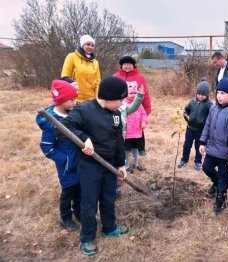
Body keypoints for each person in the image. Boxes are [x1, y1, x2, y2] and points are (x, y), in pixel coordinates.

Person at [60, 76, 129, 256]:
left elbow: (119, 140)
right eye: (120, 100)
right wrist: (84, 138)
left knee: (109, 198)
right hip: (90, 166)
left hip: (109, 165)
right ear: (109, 97)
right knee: (89, 202)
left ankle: (109, 227)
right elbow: (63, 127)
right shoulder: (84, 109)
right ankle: (88, 237)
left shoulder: (115, 114)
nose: (122, 104)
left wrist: (121, 164)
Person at [36, 80, 80, 231]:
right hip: (66, 166)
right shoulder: (51, 123)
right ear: (61, 100)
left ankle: (79, 212)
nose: (75, 102)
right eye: (72, 99)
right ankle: (65, 218)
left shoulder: (73, 115)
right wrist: (65, 160)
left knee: (79, 189)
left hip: (79, 161)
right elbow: (47, 147)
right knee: (68, 191)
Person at [199, 78, 228, 214]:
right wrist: (202, 142)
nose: (219, 96)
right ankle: (217, 183)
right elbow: (207, 126)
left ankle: (221, 198)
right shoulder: (213, 108)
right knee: (206, 168)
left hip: (225, 153)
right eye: (218, 92)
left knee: (224, 175)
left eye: (223, 93)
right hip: (212, 149)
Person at [113, 56, 152, 156]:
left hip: (136, 110)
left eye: (130, 64)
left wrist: (147, 109)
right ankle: (121, 152)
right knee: (121, 130)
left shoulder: (140, 77)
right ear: (121, 66)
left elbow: (145, 93)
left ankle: (139, 149)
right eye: (125, 64)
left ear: (133, 66)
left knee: (137, 130)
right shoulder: (115, 77)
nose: (127, 66)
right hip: (119, 108)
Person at [178, 78, 213, 171]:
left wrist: (205, 123)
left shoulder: (209, 105)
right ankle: (184, 160)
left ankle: (198, 162)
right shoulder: (192, 101)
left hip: (201, 131)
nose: (200, 96)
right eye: (199, 94)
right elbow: (186, 110)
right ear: (196, 93)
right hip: (190, 129)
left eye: (203, 95)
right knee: (187, 145)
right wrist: (186, 117)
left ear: (207, 95)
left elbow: (211, 117)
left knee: (199, 147)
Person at [61, 35, 101, 103]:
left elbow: (98, 82)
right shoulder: (72, 56)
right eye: (88, 44)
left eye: (92, 45)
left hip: (91, 101)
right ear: (82, 45)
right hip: (75, 100)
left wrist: (97, 99)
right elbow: (65, 76)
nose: (90, 47)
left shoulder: (95, 62)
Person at [124, 83, 148, 173]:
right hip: (127, 134)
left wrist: (143, 122)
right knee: (126, 150)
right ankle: (126, 165)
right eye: (131, 93)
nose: (133, 95)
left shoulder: (139, 105)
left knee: (135, 149)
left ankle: (136, 163)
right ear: (126, 93)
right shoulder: (123, 104)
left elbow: (143, 114)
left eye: (135, 93)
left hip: (137, 132)